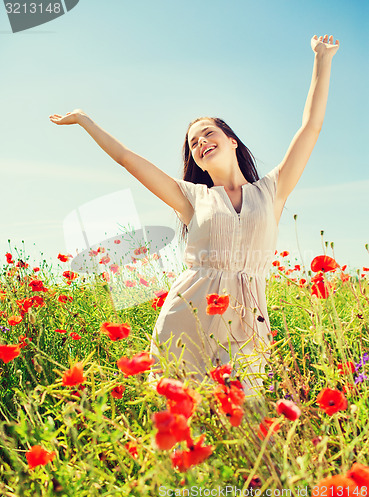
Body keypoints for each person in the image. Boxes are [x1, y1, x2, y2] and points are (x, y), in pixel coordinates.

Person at [49, 34, 339, 397]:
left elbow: (310, 127)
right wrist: (86, 122)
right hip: (189, 317)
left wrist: (322, 60)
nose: (201, 143)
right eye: (194, 143)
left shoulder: (272, 190)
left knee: (244, 411)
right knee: (187, 413)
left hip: (247, 319)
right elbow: (127, 158)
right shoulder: (192, 197)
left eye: (208, 134)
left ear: (232, 140)